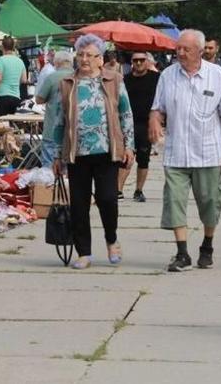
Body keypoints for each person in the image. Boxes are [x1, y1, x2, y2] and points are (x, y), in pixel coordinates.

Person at [149, 29, 221, 272]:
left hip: (207, 153)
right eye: (178, 48)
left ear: (200, 51)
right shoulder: (168, 75)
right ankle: (182, 253)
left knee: (210, 202)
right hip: (176, 153)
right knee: (175, 202)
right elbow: (157, 107)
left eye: (185, 49)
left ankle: (207, 245)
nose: (180, 52)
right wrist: (155, 120)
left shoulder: (216, 75)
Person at [53, 34, 135, 270]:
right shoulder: (67, 83)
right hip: (77, 152)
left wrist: (129, 145)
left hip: (107, 150)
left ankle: (111, 239)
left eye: (90, 55)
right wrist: (56, 155)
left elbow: (125, 114)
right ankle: (84, 252)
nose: (84, 59)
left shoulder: (114, 80)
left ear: (101, 59)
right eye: (80, 54)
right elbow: (59, 121)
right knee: (79, 203)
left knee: (107, 198)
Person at [118, 51, 159, 202]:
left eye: (142, 60)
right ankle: (118, 189)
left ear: (148, 62)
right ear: (132, 63)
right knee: (124, 159)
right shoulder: (125, 80)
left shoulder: (156, 78)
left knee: (143, 158)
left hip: (146, 124)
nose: (139, 63)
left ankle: (138, 190)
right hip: (128, 123)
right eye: (136, 61)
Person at [35, 50, 74, 167]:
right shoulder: (78, 77)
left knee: (49, 170)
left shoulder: (52, 77)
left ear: (57, 63)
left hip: (52, 130)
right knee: (70, 172)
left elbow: (39, 99)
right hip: (73, 133)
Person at [0, 36, 28, 117]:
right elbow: (24, 80)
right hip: (16, 97)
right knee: (12, 125)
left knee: (2, 125)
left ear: (2, 46)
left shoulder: (1, 60)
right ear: (13, 47)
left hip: (2, 96)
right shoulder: (20, 61)